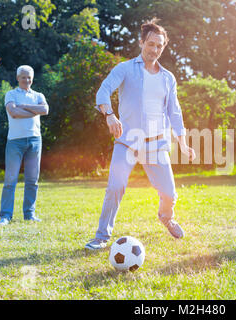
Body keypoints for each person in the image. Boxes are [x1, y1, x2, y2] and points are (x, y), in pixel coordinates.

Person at [85, 18, 196, 250]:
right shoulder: (125, 69)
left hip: (156, 145)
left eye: (159, 46)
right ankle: (102, 236)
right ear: (142, 42)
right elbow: (104, 90)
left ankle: (166, 217)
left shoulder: (168, 78)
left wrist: (183, 144)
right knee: (115, 187)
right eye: (151, 44)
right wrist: (109, 115)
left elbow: (174, 112)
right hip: (127, 142)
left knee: (169, 194)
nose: (155, 49)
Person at [0, 65, 49, 226]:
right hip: (15, 142)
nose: (26, 80)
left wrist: (25, 106)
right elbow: (13, 112)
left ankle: (29, 214)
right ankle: (5, 216)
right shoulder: (11, 94)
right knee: (10, 180)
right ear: (18, 78)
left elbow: (45, 110)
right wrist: (35, 111)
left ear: (32, 79)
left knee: (32, 180)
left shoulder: (38, 95)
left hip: (34, 140)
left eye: (29, 77)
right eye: (23, 77)